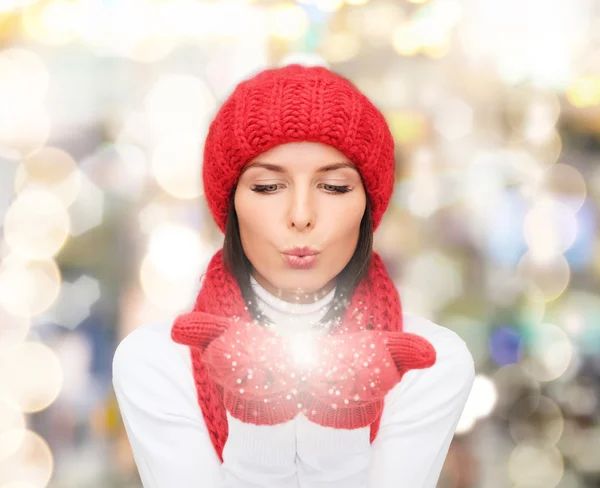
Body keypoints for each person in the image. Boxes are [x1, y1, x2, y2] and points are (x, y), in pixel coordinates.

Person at [112, 64, 475, 488]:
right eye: (267, 187)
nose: (301, 216)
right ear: (230, 205)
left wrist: (341, 418)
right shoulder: (155, 362)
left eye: (335, 187)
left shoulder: (430, 364)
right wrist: (257, 418)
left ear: (368, 207)